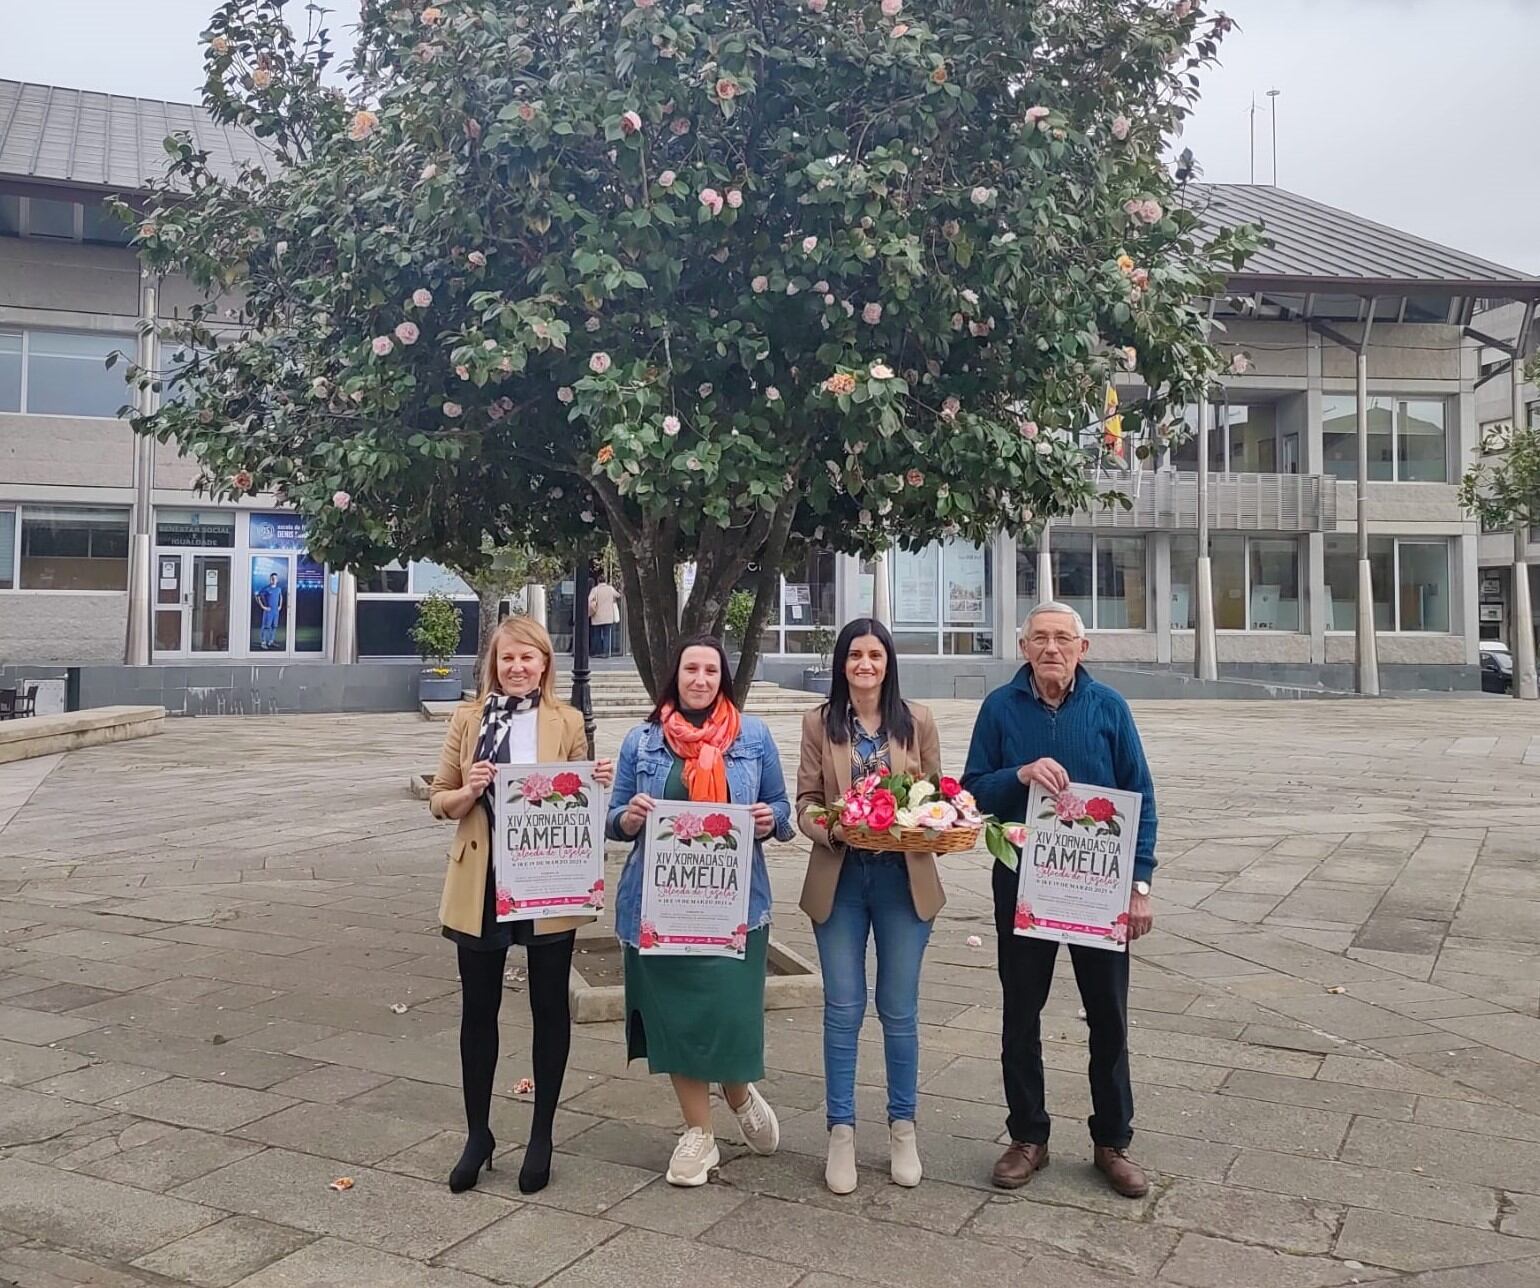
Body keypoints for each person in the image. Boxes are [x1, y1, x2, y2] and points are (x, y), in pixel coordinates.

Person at [962, 601, 1157, 1199]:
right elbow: (970, 792)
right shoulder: (1000, 708)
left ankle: (1112, 1141)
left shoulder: (1109, 709)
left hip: (1100, 887)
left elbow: (1140, 795)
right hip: (1023, 884)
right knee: (1021, 1013)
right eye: (1039, 638)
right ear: (1023, 647)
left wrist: (1140, 884)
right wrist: (1017, 775)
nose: (1051, 648)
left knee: (1109, 1016)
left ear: (1082, 647)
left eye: (1062, 638)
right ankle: (1028, 1137)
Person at [429, 615, 614, 1196]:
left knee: (548, 1007)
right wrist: (469, 790)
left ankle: (542, 1134)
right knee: (477, 1010)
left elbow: (580, 800)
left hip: (547, 878)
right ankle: (477, 1133)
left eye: (528, 658)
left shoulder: (567, 720)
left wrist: (597, 780)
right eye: (507, 658)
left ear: (544, 664)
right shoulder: (467, 718)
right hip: (481, 877)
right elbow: (440, 799)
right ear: (494, 663)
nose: (517, 668)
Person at [608, 634, 793, 1186]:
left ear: (723, 679)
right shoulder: (641, 741)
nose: (701, 679)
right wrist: (629, 818)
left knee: (727, 1015)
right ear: (676, 675)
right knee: (677, 1022)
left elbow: (783, 806)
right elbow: (611, 817)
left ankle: (736, 1091)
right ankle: (699, 1134)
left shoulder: (753, 736)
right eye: (691, 669)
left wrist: (769, 819)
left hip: (734, 906)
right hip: (658, 908)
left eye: (711, 670)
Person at [796, 618, 944, 1194]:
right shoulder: (819, 723)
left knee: (899, 1009)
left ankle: (902, 1126)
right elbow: (806, 801)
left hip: (904, 883)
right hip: (841, 879)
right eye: (855, 654)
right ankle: (841, 1132)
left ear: (888, 663)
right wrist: (829, 829)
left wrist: (927, 825)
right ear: (842, 663)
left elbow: (937, 796)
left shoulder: (919, 721)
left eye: (874, 655)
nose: (864, 664)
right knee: (842, 1008)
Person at [588, 575, 622, 658]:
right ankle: (606, 653)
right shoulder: (610, 589)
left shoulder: (595, 590)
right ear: (605, 581)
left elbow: (589, 600)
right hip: (608, 617)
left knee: (596, 635)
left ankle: (597, 652)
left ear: (598, 581)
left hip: (597, 616)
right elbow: (618, 595)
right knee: (607, 635)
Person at [255, 572, 283, 649]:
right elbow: (258, 597)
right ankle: (263, 642)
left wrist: (280, 606)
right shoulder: (266, 589)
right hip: (268, 611)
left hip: (275, 611)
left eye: (275, 578)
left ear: (277, 580)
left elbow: (281, 597)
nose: (274, 580)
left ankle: (271, 641)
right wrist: (263, 607)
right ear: (270, 579)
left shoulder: (278, 589)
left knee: (274, 626)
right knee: (266, 626)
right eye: (272, 578)